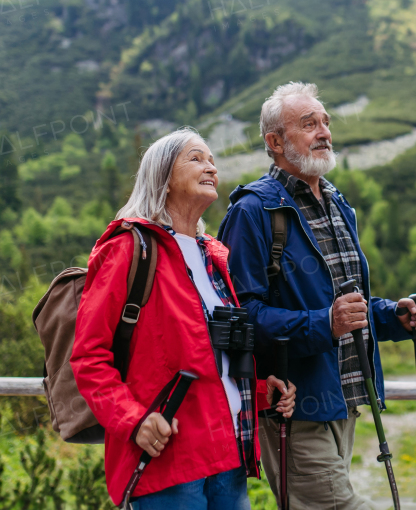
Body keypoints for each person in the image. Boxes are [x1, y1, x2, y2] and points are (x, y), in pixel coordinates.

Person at [220, 82, 416, 510]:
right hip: (295, 406)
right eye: (308, 123)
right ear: (275, 142)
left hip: (345, 399)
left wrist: (395, 317)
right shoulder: (252, 211)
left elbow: (347, 303)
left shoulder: (338, 204)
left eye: (325, 122)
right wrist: (325, 324)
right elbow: (239, 317)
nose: (324, 132)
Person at [72, 128, 296, 510]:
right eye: (195, 158)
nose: (210, 167)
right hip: (168, 463)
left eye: (211, 160)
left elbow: (210, 360)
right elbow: (88, 358)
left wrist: (261, 392)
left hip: (228, 457)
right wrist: (135, 420)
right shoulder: (128, 249)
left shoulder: (214, 255)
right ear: (162, 176)